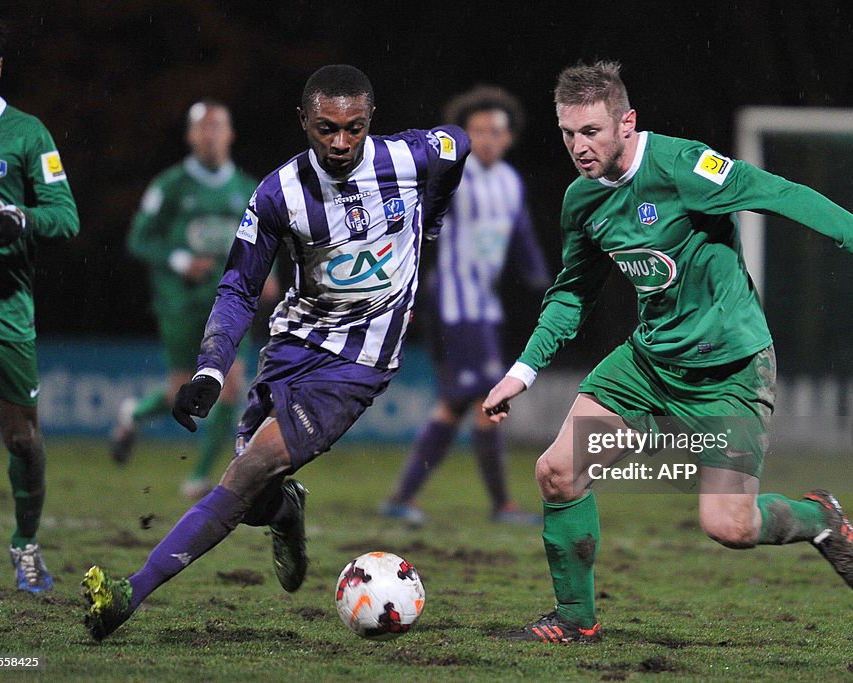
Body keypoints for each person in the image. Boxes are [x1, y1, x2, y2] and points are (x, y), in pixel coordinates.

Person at [482, 61, 853, 643]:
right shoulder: (584, 200)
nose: (578, 147)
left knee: (728, 525)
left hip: (731, 371)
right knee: (557, 473)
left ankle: (819, 519)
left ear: (627, 122)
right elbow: (572, 292)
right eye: (567, 133)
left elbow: (784, 194)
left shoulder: (684, 168)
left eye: (591, 131)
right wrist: (522, 372)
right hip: (647, 366)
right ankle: (576, 621)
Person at [81, 64, 470, 641]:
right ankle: (284, 512)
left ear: (370, 123)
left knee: (246, 472)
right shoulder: (276, 194)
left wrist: (430, 221)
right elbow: (239, 286)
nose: (340, 143)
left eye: (354, 129)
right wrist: (211, 368)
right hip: (293, 345)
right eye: (326, 129)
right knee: (256, 498)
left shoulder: (410, 159)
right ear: (303, 122)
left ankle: (127, 594)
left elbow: (456, 145)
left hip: (358, 363)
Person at [380, 85, 550, 526]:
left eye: (496, 131)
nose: (488, 139)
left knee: (456, 405)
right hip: (453, 306)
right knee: (485, 402)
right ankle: (502, 505)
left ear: (509, 137)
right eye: (478, 132)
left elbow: (522, 233)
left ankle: (402, 498)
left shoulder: (510, 182)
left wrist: (540, 277)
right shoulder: (454, 174)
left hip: (484, 309)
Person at [0, 6, 80, 592]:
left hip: (4, 305)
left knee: (23, 441)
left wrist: (20, 216)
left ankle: (25, 545)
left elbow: (66, 217)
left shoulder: (27, 135)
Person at [110, 99, 270, 499]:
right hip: (181, 303)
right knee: (181, 389)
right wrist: (181, 261)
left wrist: (270, 276)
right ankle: (135, 414)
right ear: (190, 136)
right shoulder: (170, 186)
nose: (210, 135)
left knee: (231, 387)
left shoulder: (247, 189)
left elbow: (264, 241)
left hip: (231, 303)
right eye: (203, 128)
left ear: (230, 134)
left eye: (218, 127)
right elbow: (138, 239)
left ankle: (199, 478)